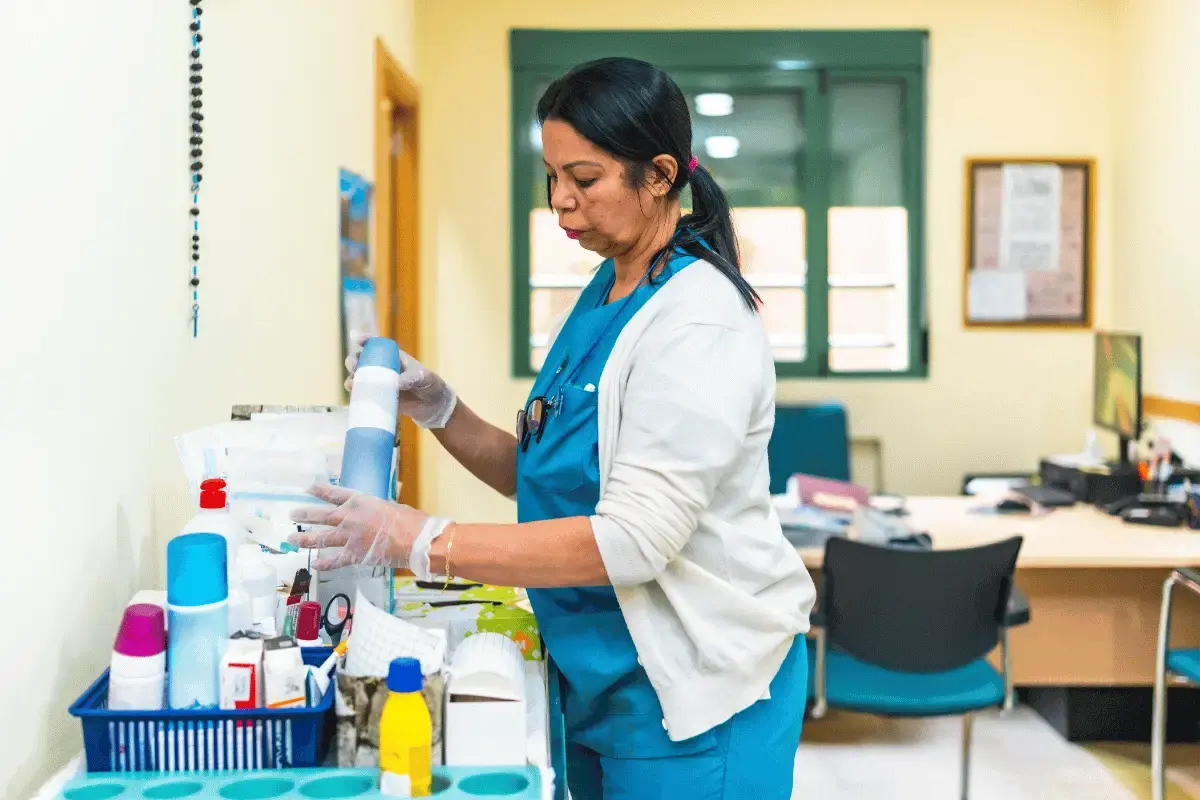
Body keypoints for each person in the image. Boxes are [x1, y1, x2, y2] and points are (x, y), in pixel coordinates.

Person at [292, 57, 816, 800]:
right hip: (602, 674)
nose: (561, 202)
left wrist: (421, 539)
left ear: (660, 174)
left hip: (696, 689)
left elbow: (633, 538)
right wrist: (442, 409)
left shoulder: (697, 321)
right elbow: (552, 475)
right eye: (552, 178)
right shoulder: (613, 283)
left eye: (585, 178)